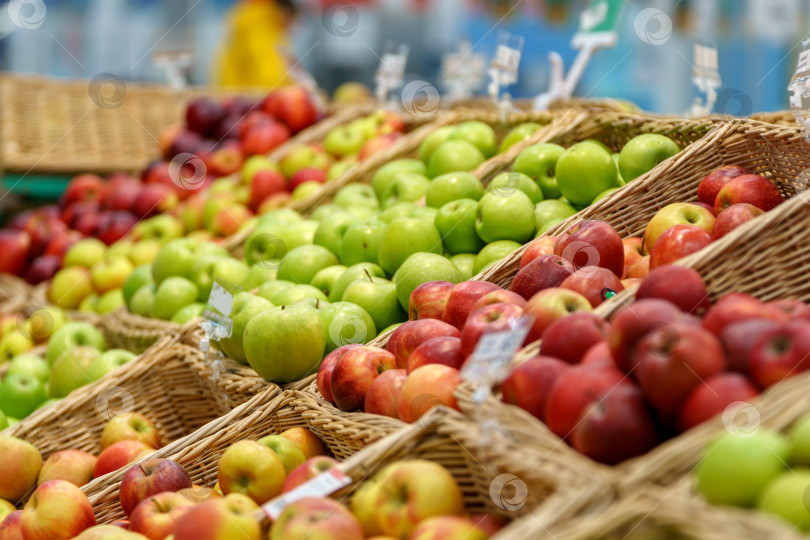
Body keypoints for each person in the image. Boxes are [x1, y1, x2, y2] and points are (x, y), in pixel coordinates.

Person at [215, 0, 297, 88]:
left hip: (239, 92)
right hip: (246, 95)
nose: (290, 27)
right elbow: (268, 72)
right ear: (286, 12)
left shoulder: (252, 17)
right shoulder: (260, 24)